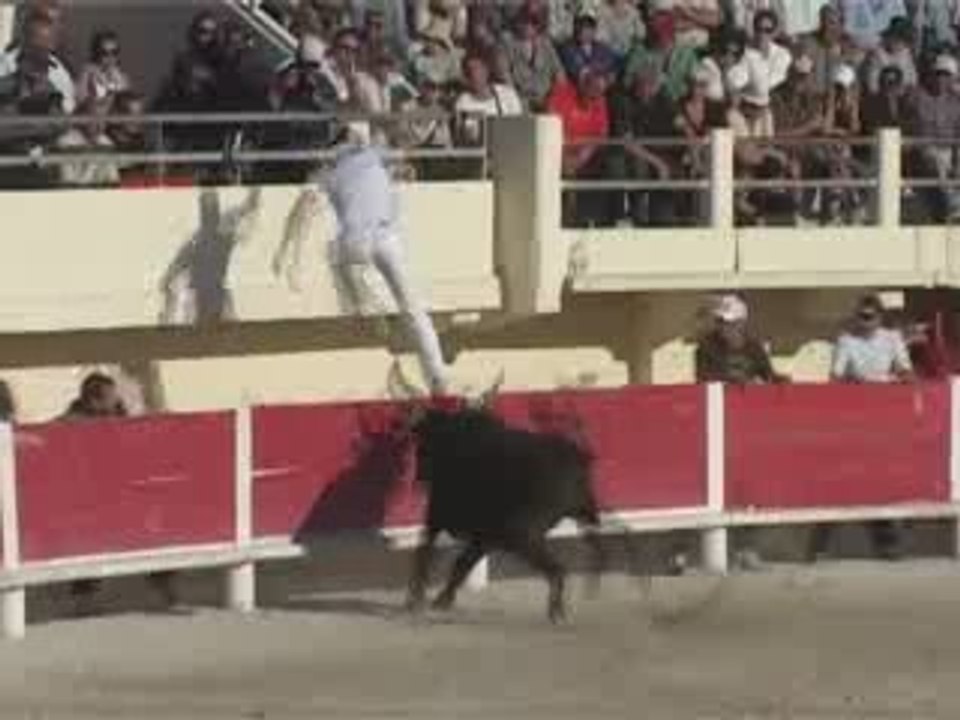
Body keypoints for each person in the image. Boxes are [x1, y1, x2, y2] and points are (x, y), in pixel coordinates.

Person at [275, 132, 449, 395]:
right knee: (414, 308)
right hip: (385, 238)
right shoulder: (372, 154)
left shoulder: (329, 174)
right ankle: (437, 376)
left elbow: (303, 209)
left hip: (355, 242)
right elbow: (406, 155)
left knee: (335, 258)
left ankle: (367, 309)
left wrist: (287, 252)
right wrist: (402, 169)